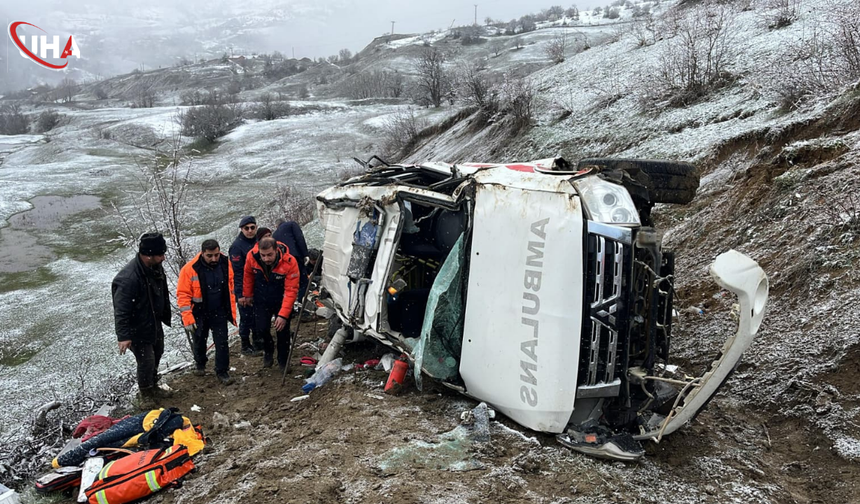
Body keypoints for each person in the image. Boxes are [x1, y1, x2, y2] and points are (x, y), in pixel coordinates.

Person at [111, 232, 172, 406]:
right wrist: (123, 336)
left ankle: (153, 386)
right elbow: (121, 309)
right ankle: (146, 395)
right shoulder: (129, 278)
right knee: (146, 360)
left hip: (153, 321)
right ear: (148, 255)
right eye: (160, 254)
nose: (164, 258)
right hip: (137, 328)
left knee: (158, 351)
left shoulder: (154, 267)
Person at [177, 239, 237, 385]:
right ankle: (200, 364)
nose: (214, 259)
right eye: (210, 256)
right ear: (202, 253)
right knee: (199, 340)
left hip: (219, 310)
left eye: (216, 255)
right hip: (199, 312)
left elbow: (231, 283)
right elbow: (183, 295)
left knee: (222, 342)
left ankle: (222, 371)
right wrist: (187, 318)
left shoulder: (225, 262)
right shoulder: (190, 269)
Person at [242, 237, 300, 370]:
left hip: (281, 299)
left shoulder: (289, 262)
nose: (266, 258)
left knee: (282, 331)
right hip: (261, 299)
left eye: (270, 255)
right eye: (263, 255)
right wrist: (248, 294)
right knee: (261, 329)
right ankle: (268, 350)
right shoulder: (252, 257)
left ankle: (283, 360)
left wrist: (283, 315)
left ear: (276, 250)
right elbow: (248, 275)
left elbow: (291, 290)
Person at [229, 216, 259, 355]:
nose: (250, 230)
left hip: (259, 285)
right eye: (246, 228)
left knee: (258, 316)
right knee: (246, 317)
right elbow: (237, 273)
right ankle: (245, 345)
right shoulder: (237, 246)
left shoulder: (258, 241)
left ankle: (258, 342)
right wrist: (240, 294)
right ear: (242, 229)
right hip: (244, 288)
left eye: (252, 227)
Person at [273, 219, 309, 300]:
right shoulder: (291, 224)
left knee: (291, 284)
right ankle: (301, 302)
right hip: (295, 257)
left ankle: (292, 304)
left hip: (284, 263)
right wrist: (305, 254)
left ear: (277, 226)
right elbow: (300, 238)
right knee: (303, 282)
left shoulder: (274, 235)